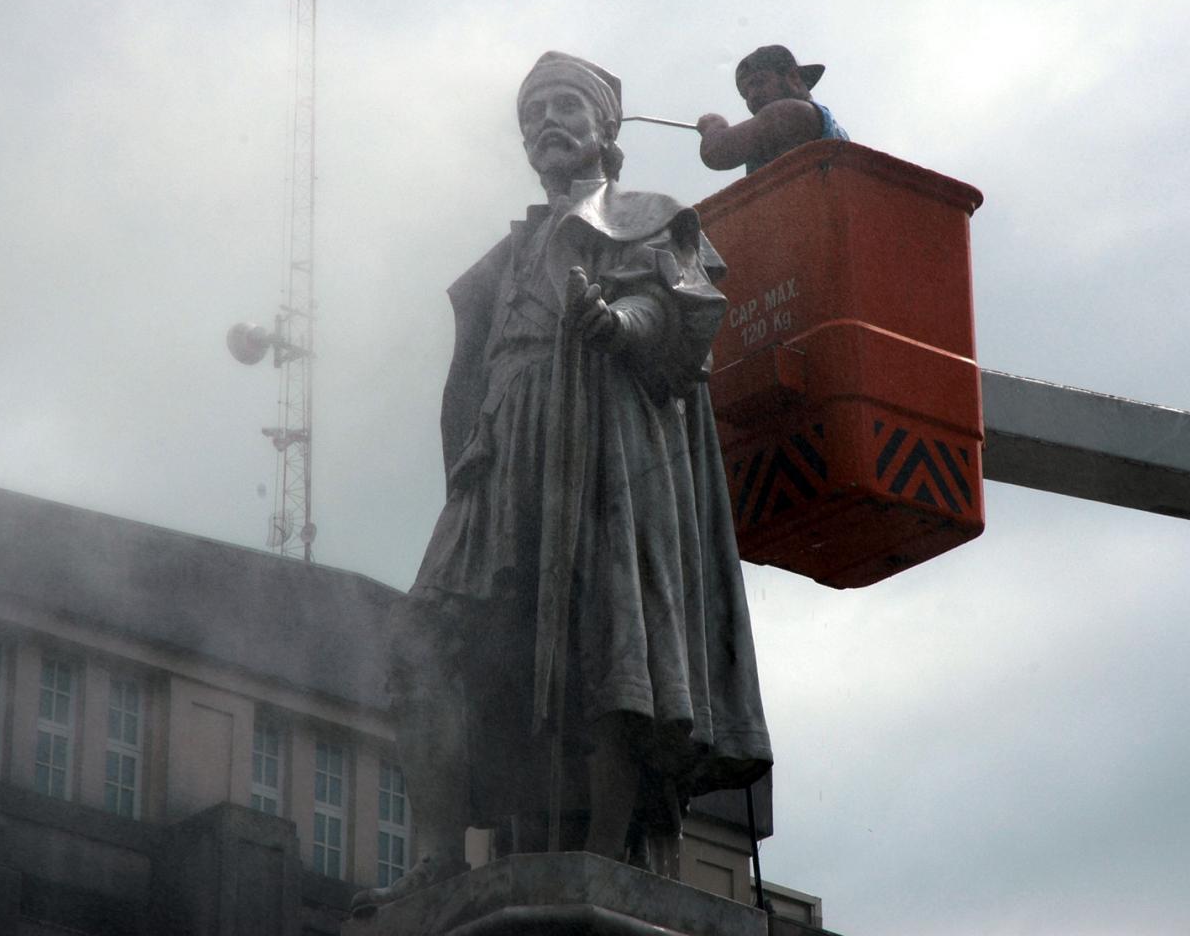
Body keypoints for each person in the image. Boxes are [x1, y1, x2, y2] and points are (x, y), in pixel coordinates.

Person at [356, 52, 771, 909]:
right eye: (532, 111)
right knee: (422, 636)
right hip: (503, 455)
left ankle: (603, 850)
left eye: (564, 106)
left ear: (604, 127)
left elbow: (680, 307)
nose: (545, 121)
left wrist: (619, 321)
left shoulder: (649, 217)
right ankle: (439, 857)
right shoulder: (506, 256)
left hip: (603, 441)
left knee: (608, 633)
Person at [696, 44, 850, 174]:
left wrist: (713, 126)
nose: (752, 96)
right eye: (745, 94)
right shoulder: (828, 126)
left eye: (759, 82)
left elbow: (716, 152)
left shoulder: (793, 113)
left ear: (793, 78)